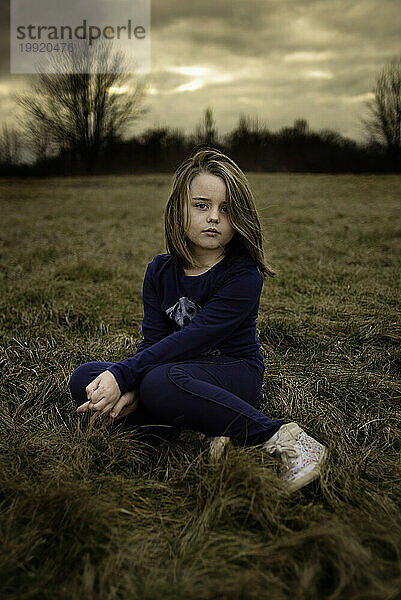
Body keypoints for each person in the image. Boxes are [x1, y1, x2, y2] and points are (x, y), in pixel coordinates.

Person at [68, 148, 327, 492]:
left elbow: (194, 339)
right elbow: (155, 342)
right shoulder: (159, 271)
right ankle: (211, 429)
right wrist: (128, 383)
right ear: (179, 209)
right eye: (202, 205)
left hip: (233, 374)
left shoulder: (243, 273)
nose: (214, 217)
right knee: (87, 378)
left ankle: (283, 437)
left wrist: (129, 376)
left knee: (156, 381)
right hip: (176, 372)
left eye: (226, 209)